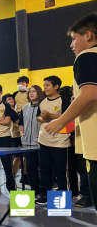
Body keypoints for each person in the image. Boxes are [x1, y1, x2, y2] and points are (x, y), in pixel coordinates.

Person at [45, 12, 97, 210]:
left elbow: (90, 94)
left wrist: (60, 122)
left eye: (74, 39)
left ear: (88, 36)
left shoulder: (86, 56)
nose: (72, 45)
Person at [35, 76, 71, 206]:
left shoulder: (64, 100)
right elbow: (38, 117)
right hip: (44, 140)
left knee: (61, 170)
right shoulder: (43, 101)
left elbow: (70, 117)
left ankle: (61, 199)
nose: (45, 88)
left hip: (60, 141)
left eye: (47, 85)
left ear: (56, 87)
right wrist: (42, 118)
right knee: (44, 169)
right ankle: (44, 195)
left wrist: (51, 116)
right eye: (44, 85)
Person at [19, 85, 44, 196]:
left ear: (39, 93)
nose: (31, 93)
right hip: (27, 144)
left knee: (43, 168)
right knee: (30, 168)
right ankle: (34, 189)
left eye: (34, 91)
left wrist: (42, 135)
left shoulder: (44, 106)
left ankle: (44, 190)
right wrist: (22, 134)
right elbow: (21, 123)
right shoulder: (25, 108)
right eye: (30, 92)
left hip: (40, 143)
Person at [59, 86, 79, 199]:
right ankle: (74, 192)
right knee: (72, 167)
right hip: (71, 138)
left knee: (72, 167)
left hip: (76, 139)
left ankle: (76, 192)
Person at [2, 94, 25, 183]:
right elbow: (18, 121)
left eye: (12, 99)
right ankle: (12, 177)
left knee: (25, 157)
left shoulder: (18, 109)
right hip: (15, 136)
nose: (12, 100)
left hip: (23, 135)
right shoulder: (8, 111)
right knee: (18, 158)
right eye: (9, 99)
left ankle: (24, 176)